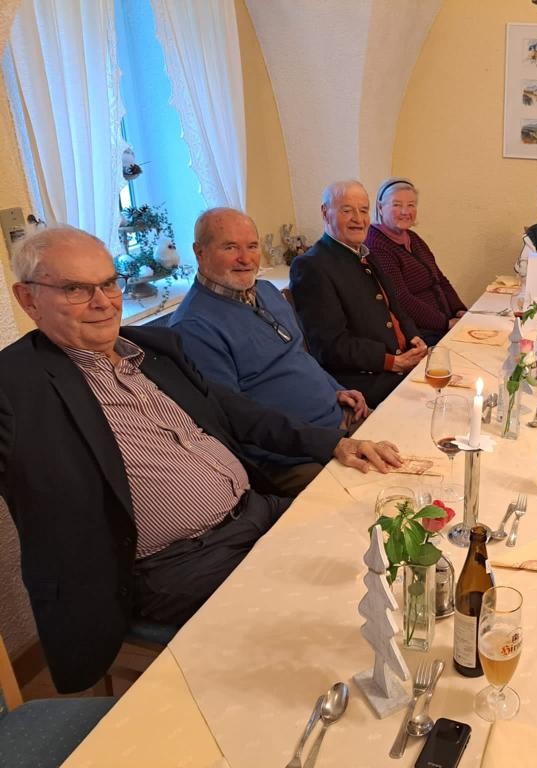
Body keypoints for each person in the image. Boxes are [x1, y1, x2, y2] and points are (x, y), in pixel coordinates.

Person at [0, 227, 403, 693]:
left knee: (373, 550)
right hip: (181, 565)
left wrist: (332, 443)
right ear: (28, 300)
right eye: (75, 289)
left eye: (109, 283)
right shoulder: (15, 387)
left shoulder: (154, 349)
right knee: (317, 631)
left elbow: (236, 410)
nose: (103, 302)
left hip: (258, 510)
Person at [169, 207, 371, 496]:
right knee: (377, 499)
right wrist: (328, 441)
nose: (245, 258)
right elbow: (237, 420)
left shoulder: (265, 291)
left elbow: (299, 355)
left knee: (418, 450)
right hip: (297, 458)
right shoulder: (193, 327)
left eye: (252, 246)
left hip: (342, 419)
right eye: (230, 247)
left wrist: (336, 389)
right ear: (199, 252)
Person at [290, 180, 427, 408]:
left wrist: (414, 338)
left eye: (363, 210)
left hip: (401, 364)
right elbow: (330, 347)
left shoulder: (366, 255)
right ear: (325, 212)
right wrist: (392, 362)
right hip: (367, 379)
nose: (358, 219)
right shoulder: (311, 266)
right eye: (347, 211)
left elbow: (396, 308)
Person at [364, 177, 467, 346]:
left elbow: (440, 279)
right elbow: (401, 299)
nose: (405, 211)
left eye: (411, 205)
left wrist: (459, 310)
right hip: (419, 333)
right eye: (397, 205)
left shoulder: (412, 238)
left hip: (444, 323)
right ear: (380, 208)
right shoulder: (376, 245)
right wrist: (446, 323)